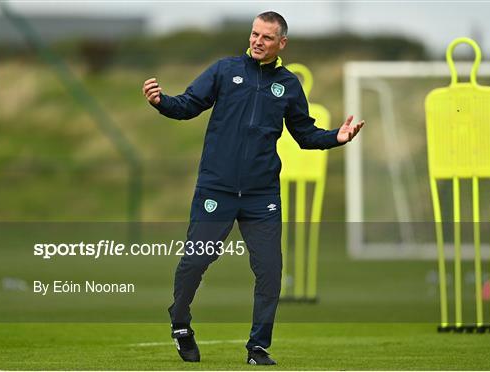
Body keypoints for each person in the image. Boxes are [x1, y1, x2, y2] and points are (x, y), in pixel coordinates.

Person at [142, 11, 364, 366]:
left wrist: (336, 137)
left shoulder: (288, 85)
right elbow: (186, 106)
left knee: (270, 271)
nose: (257, 41)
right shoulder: (223, 70)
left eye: (266, 37)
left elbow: (305, 135)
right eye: (254, 34)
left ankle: (257, 347)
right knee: (195, 263)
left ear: (281, 43)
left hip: (262, 197)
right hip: (217, 189)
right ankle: (180, 322)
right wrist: (160, 102)